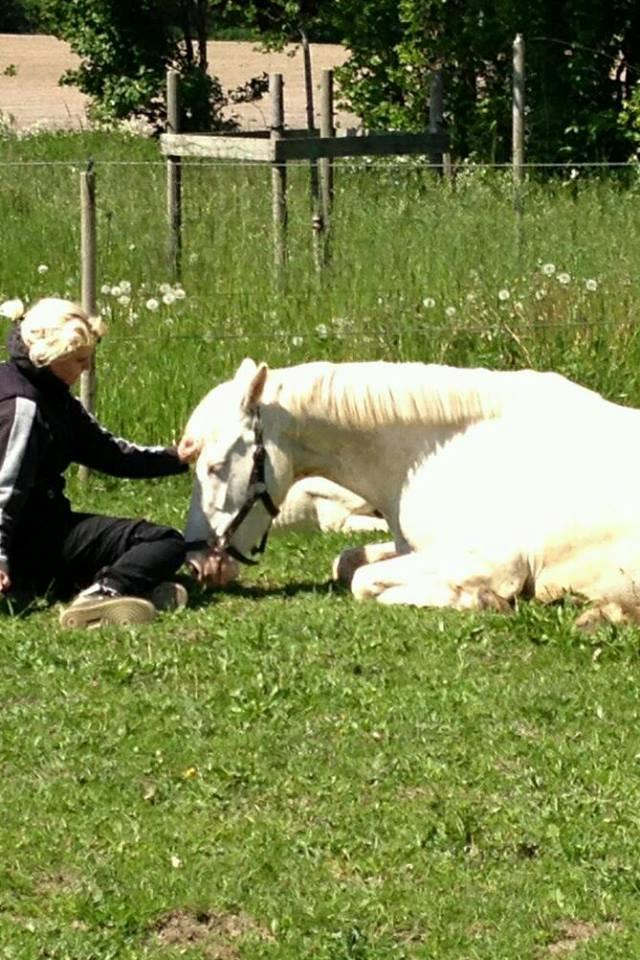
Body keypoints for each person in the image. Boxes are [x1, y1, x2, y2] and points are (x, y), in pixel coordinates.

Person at [0, 295, 193, 629]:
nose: (87, 368)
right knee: (164, 542)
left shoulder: (42, 391)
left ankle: (112, 586)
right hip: (28, 539)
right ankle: (104, 595)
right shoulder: (24, 407)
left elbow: (109, 453)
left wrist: (176, 457)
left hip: (32, 535)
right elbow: (5, 488)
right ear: (51, 356)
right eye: (79, 359)